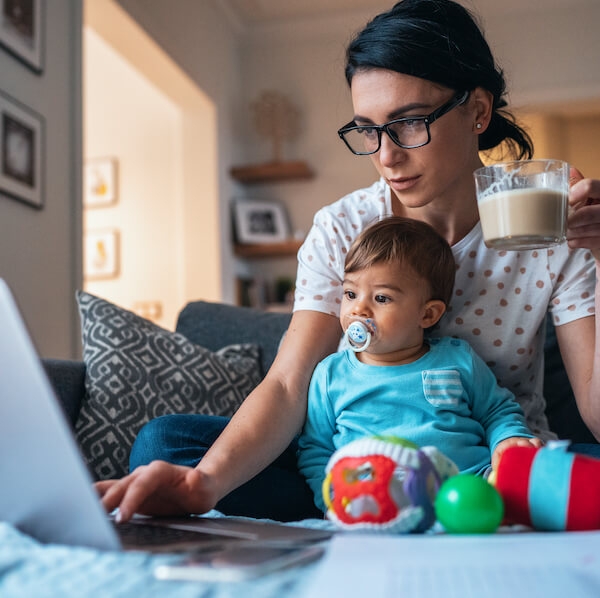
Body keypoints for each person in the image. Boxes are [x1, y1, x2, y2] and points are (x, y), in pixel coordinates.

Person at [97, 0, 600, 524]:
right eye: (368, 129)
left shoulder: (548, 221)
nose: (386, 156)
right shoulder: (342, 226)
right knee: (167, 443)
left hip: (492, 468)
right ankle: (375, 509)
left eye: (408, 123)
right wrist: (203, 484)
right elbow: (290, 385)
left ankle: (472, 506)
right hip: (355, 468)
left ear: (477, 110)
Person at [297, 216, 540, 513]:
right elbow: (316, 450)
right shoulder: (330, 375)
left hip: (468, 489)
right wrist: (334, 501)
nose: (358, 309)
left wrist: (509, 439)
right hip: (375, 502)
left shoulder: (457, 359)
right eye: (350, 294)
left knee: (541, 482)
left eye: (381, 298)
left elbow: (496, 411)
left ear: (427, 315)